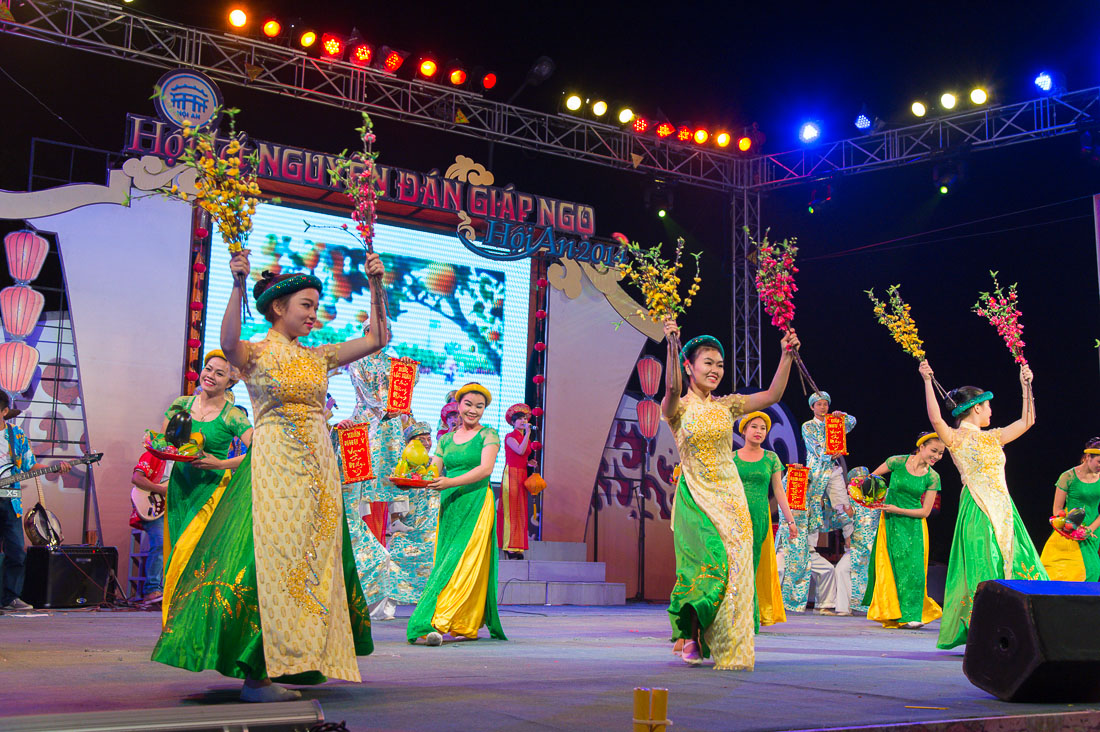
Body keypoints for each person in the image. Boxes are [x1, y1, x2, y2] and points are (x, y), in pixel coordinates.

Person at [152, 250, 389, 702]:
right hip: (274, 468)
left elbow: (377, 338)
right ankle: (255, 675)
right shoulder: (255, 355)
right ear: (278, 308)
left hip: (318, 471)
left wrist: (376, 285)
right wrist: (237, 284)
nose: (313, 313)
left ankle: (292, 659)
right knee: (267, 561)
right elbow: (228, 340)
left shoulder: (319, 356)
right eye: (306, 305)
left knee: (308, 567)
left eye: (315, 306)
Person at [662, 319, 799, 670]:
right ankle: (691, 633)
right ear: (689, 367)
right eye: (708, 362)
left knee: (737, 568)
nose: (715, 370)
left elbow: (771, 396)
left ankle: (724, 640)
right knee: (706, 564)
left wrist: (786, 356)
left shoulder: (726, 406)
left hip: (731, 495)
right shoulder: (677, 408)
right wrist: (672, 343)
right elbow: (672, 389)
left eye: (720, 364)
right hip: (695, 494)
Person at [919, 360, 1046, 650]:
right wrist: (927, 381)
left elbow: (1028, 422)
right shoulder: (955, 438)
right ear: (977, 408)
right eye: (987, 406)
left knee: (1012, 562)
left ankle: (1018, 627)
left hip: (1004, 510)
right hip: (977, 508)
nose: (991, 411)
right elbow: (936, 419)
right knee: (983, 564)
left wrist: (1027, 385)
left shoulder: (994, 437)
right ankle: (984, 629)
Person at [406, 382, 506, 646]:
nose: (473, 410)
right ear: (458, 405)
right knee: (447, 560)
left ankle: (440, 621)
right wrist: (413, 476)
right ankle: (461, 622)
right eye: (468, 404)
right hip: (450, 505)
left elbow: (485, 470)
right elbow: (434, 470)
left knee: (467, 560)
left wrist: (450, 482)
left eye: (479, 406)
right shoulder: (446, 439)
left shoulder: (489, 435)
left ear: (485, 409)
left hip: (476, 501)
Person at [160, 350, 252, 616]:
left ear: (230, 382)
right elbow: (167, 440)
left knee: (189, 553)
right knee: (175, 548)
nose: (210, 376)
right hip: (180, 488)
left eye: (219, 373)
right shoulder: (182, 404)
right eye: (208, 369)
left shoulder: (232, 415)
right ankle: (178, 620)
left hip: (211, 491)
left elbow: (260, 448)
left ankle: (187, 617)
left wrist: (222, 464)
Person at [781, 391, 856, 613]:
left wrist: (843, 416)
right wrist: (831, 450)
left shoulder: (834, 423)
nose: (823, 408)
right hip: (816, 472)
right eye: (819, 405)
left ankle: (850, 540)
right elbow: (815, 448)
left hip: (832, 470)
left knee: (843, 505)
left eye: (825, 404)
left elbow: (852, 423)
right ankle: (810, 544)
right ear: (812, 407)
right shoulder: (809, 426)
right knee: (811, 509)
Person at [862, 432, 945, 628]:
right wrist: (874, 497)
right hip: (890, 523)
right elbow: (871, 479)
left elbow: (925, 512)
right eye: (934, 451)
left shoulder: (933, 477)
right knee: (891, 568)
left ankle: (913, 614)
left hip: (914, 526)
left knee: (914, 570)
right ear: (921, 447)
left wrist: (896, 509)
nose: (937, 456)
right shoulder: (896, 462)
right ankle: (892, 612)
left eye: (941, 453)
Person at [0, 394, 71, 611]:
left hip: (10, 499)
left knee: (16, 551)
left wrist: (56, 467)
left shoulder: (16, 435)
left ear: (4, 412)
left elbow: (29, 466)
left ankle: (10, 598)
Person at [732, 411, 797, 630]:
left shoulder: (771, 458)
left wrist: (790, 521)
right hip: (734, 519)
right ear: (744, 430)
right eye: (754, 427)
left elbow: (779, 491)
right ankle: (732, 615)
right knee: (736, 567)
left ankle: (749, 617)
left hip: (759, 518)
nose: (759, 431)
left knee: (752, 566)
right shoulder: (731, 458)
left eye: (763, 428)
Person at [383, 421, 440, 604]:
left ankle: (429, 601)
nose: (426, 443)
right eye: (421, 439)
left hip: (430, 518)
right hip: (408, 521)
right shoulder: (402, 465)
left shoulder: (433, 463)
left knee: (432, 556)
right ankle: (392, 600)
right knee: (399, 556)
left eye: (428, 439)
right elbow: (395, 493)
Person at [1039, 437, 1100, 581]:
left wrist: (1089, 529)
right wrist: (1068, 528)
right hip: (1070, 526)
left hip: (1093, 527)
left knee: (1091, 570)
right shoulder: (1068, 476)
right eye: (1099, 462)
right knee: (1066, 570)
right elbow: (1057, 508)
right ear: (1087, 457)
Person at [131, 449, 168, 605]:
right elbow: (137, 478)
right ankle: (152, 590)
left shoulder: (187, 458)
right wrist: (162, 490)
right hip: (155, 506)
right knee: (160, 543)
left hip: (176, 508)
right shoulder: (154, 454)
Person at [499, 403, 533, 559]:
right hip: (511, 474)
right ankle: (509, 545)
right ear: (513, 422)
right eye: (519, 419)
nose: (522, 421)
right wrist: (527, 433)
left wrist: (529, 463)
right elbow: (519, 450)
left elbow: (523, 455)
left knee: (520, 511)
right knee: (511, 510)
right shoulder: (510, 436)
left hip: (522, 474)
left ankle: (517, 545)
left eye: (524, 418)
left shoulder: (524, 436)